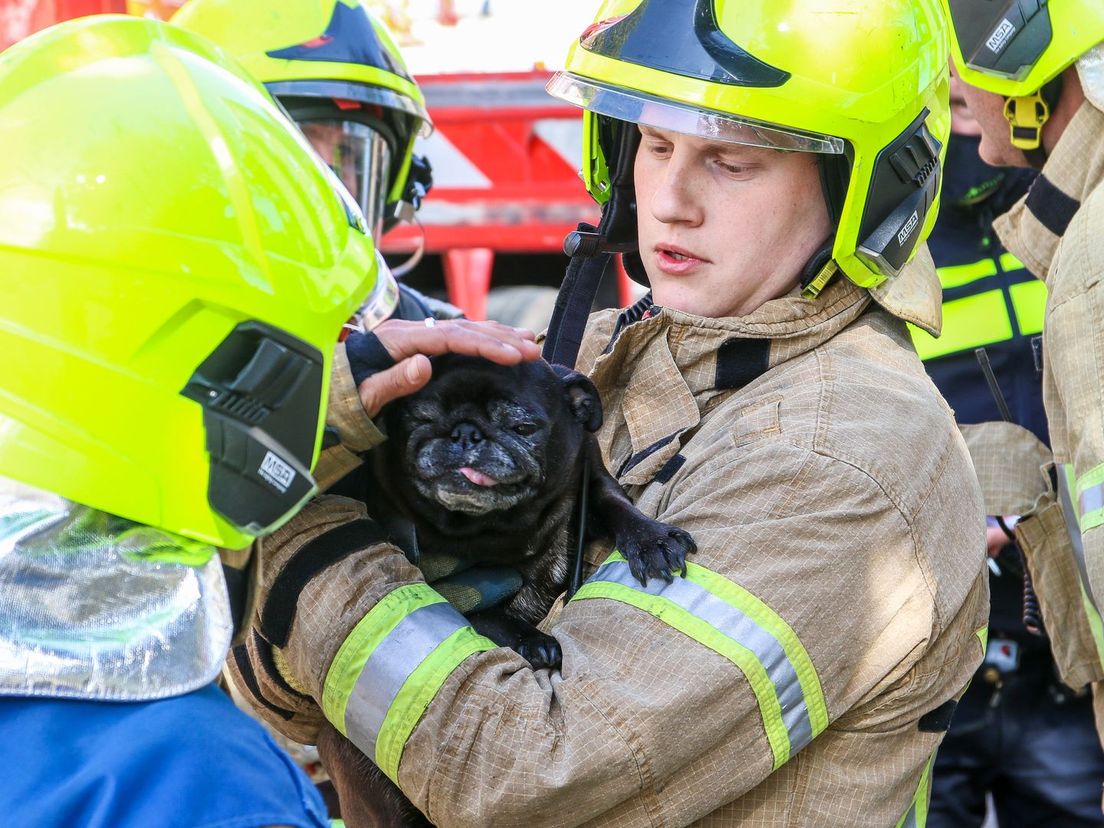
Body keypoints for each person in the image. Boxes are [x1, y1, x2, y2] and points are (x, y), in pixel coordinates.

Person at [230, 1, 990, 824]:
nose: (670, 201)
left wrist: (307, 545)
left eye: (731, 162)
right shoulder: (609, 353)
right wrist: (333, 420)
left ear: (860, 188)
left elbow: (526, 777)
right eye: (655, 146)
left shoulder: (833, 461)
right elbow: (286, 706)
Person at [0, 15, 538, 828]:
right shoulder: (191, 780)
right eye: (279, 164)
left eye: (343, 163)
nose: (307, 218)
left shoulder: (442, 374)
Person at [913, 78, 1104, 827]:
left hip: (1059, 636)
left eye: (972, 105)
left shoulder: (1064, 220)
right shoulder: (889, 245)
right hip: (947, 643)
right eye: (950, 108)